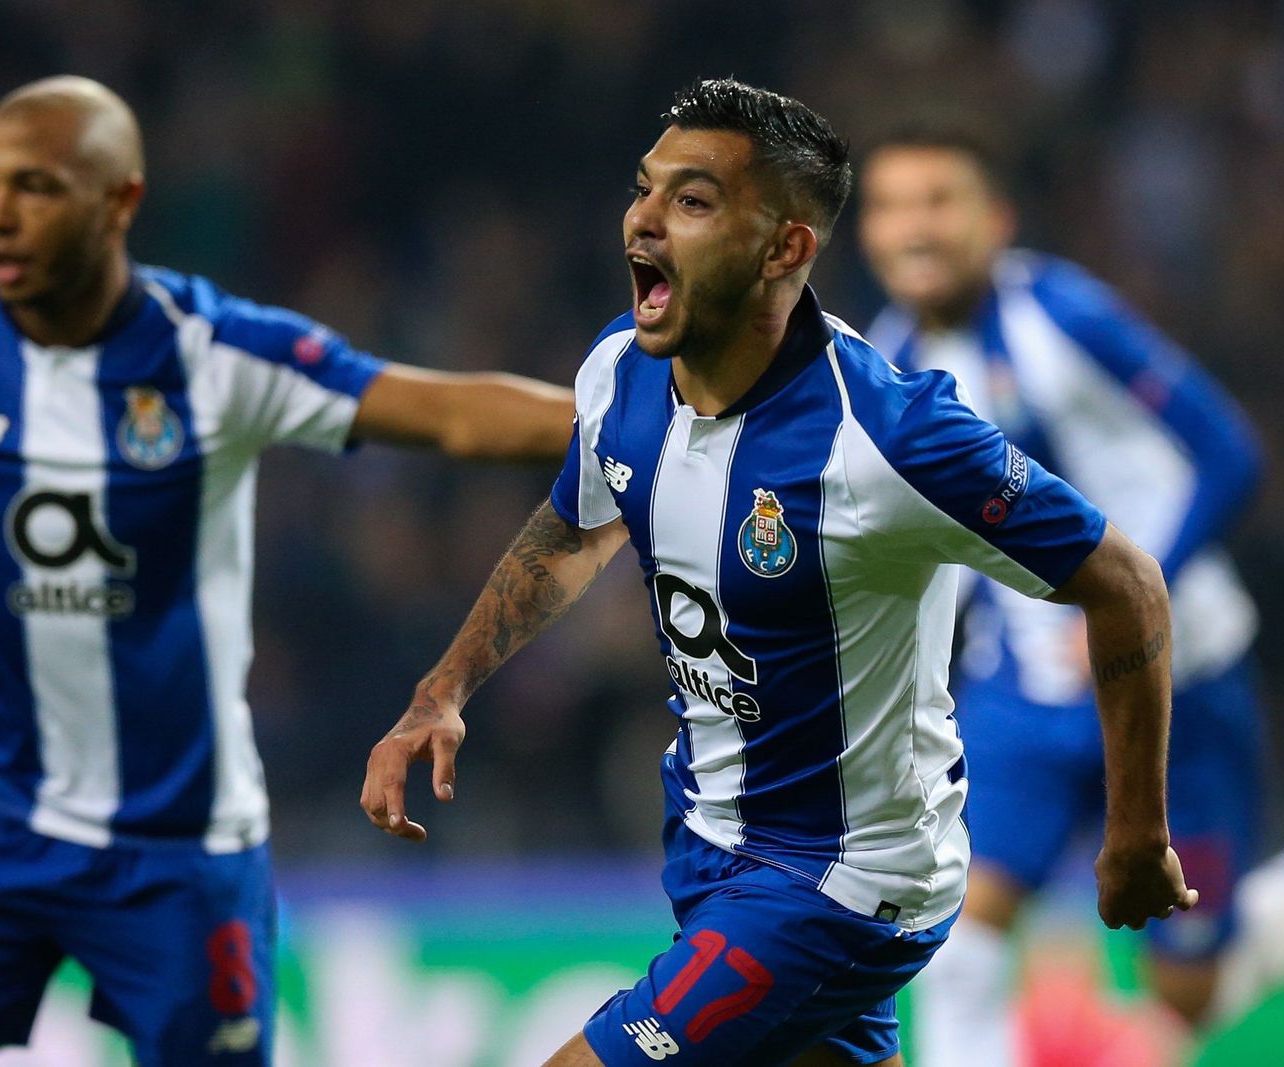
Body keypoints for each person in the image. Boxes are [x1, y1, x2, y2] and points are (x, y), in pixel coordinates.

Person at [0, 76, 575, 1067]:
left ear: (120, 201)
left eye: (35, 186)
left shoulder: (213, 354)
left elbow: (448, 412)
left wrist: (644, 417)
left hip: (182, 838)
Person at [361, 78, 1197, 1067]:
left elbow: (1125, 582)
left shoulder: (890, 435)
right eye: (643, 189)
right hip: (709, 841)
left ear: (783, 249)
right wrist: (443, 688)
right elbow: (574, 531)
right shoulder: (620, 370)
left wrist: (1135, 831)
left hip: (842, 881)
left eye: (691, 200)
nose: (643, 220)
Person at [855, 125, 1264, 1062]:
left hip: (1178, 687)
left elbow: (1230, 452)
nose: (914, 227)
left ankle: (1261, 922)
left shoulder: (1065, 317)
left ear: (995, 220)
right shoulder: (883, 362)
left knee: (1188, 990)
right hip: (1024, 690)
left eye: (939, 201)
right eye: (889, 206)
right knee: (958, 940)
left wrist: (1136, 602)